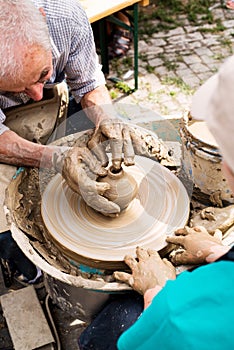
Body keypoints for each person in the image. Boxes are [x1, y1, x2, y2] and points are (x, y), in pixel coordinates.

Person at [78, 55, 234, 349]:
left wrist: (157, 292)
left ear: (226, 167)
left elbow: (182, 335)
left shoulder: (181, 315)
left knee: (116, 322)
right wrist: (218, 251)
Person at [0, 0, 139, 284]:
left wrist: (106, 117)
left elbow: (88, 85)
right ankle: (23, 261)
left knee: (106, 133)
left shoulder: (64, 17)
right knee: (8, 210)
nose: (36, 93)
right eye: (20, 87)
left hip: (55, 105)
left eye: (41, 74)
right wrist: (55, 158)